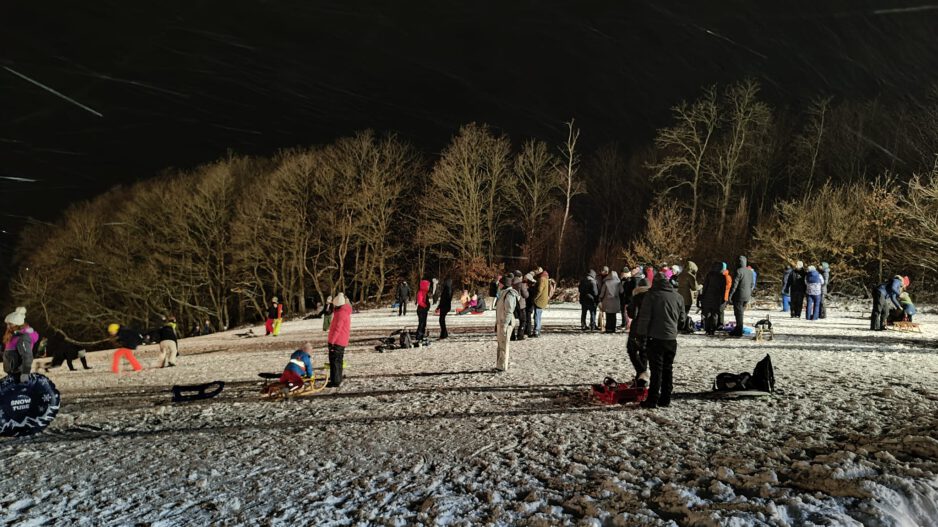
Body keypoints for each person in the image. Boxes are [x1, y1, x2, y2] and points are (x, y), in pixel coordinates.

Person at [634, 274, 685, 409]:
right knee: (668, 369)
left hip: (655, 338)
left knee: (656, 370)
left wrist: (641, 336)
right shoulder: (678, 296)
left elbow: (644, 318)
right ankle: (665, 398)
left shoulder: (651, 296)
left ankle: (652, 400)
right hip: (671, 339)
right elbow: (682, 319)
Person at [626, 278, 651, 386]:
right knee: (643, 351)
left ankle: (641, 372)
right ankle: (641, 379)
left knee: (631, 349)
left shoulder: (637, 297)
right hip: (649, 327)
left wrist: (628, 309)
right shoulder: (652, 297)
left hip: (637, 327)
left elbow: (632, 314)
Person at [3, 307, 36, 383]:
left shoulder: (22, 338)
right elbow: (11, 354)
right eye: (7, 324)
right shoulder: (12, 337)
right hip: (12, 373)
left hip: (19, 375)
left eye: (10, 324)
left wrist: (25, 373)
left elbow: (27, 356)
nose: (8, 326)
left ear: (17, 324)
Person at [495, 276, 520, 372]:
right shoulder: (503, 293)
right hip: (501, 322)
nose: (499, 284)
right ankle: (499, 365)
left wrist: (504, 324)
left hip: (506, 323)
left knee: (504, 344)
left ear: (504, 284)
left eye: (500, 283)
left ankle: (503, 366)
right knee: (500, 344)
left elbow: (509, 311)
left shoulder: (509, 294)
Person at [327, 293, 351, 387]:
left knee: (335, 362)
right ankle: (337, 378)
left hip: (337, 341)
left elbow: (337, 329)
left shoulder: (340, 314)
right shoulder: (344, 311)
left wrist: (331, 342)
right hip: (341, 341)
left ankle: (335, 381)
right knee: (338, 361)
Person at [727, 256, 754, 337]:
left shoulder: (738, 271)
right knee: (740, 312)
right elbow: (752, 284)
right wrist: (749, 292)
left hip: (739, 295)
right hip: (747, 295)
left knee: (738, 313)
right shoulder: (750, 271)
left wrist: (730, 295)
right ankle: (738, 328)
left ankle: (739, 330)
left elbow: (735, 285)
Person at [699, 262, 726, 336]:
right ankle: (713, 329)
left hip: (708, 296)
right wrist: (723, 298)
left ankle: (707, 329)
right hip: (717, 298)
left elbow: (705, 286)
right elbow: (723, 289)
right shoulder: (722, 277)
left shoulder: (709, 275)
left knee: (707, 313)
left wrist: (703, 295)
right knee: (714, 314)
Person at [598, 266, 622, 333]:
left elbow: (602, 292)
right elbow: (622, 291)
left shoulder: (606, 282)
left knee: (608, 315)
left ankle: (608, 328)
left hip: (607, 301)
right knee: (614, 315)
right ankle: (613, 328)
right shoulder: (618, 282)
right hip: (616, 301)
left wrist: (600, 298)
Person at [532, 267, 550, 337]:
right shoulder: (546, 278)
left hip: (539, 300)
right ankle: (537, 330)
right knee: (538, 316)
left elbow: (539, 290)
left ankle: (536, 330)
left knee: (537, 316)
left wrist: (534, 298)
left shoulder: (541, 279)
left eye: (536, 271)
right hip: (543, 300)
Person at [511, 276, 528, 340]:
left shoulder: (511, 284)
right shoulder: (521, 285)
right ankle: (520, 335)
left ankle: (511, 335)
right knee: (523, 321)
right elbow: (526, 295)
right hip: (521, 305)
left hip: (512, 305)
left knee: (512, 321)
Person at [523, 273, 537, 337]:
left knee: (528, 319)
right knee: (527, 318)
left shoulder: (532, 288)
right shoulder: (532, 287)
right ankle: (527, 331)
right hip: (529, 304)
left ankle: (528, 331)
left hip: (529, 304)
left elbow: (529, 296)